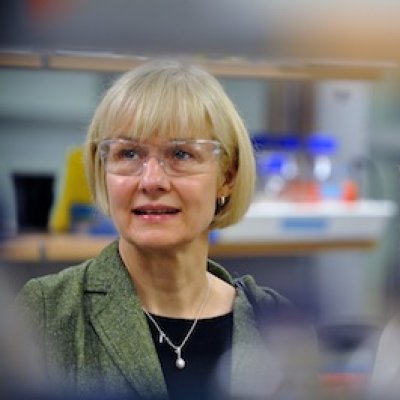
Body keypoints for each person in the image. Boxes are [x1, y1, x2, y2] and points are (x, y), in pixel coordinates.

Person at [17, 59, 317, 400]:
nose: (152, 180)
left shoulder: (278, 323)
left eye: (181, 154)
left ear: (227, 177)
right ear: (103, 171)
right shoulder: (47, 311)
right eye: (128, 153)